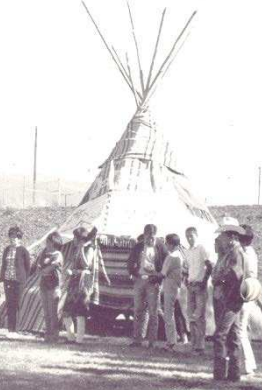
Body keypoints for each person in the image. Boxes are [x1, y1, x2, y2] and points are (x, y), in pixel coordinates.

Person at [62, 227, 110, 344]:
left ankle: (79, 340)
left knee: (80, 310)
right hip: (74, 280)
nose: (73, 240)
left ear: (80, 239)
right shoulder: (76, 248)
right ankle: (71, 337)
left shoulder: (90, 248)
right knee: (66, 311)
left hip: (84, 281)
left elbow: (86, 264)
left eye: (75, 238)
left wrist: (81, 248)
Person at [212, 224, 246, 382]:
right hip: (232, 298)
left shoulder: (236, 253)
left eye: (224, 237)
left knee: (220, 335)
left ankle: (219, 374)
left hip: (231, 300)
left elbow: (235, 275)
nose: (222, 240)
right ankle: (234, 374)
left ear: (232, 238)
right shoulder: (232, 252)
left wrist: (221, 278)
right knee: (233, 337)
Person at [127, 224, 168, 348]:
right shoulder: (138, 246)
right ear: (144, 236)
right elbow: (130, 261)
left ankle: (152, 341)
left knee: (153, 311)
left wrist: (159, 277)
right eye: (148, 237)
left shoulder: (161, 246)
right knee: (138, 310)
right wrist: (132, 273)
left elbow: (166, 264)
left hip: (153, 281)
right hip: (140, 280)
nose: (150, 240)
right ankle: (137, 339)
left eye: (153, 238)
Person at [183, 227, 212, 355]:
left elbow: (209, 266)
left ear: (196, 235)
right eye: (187, 236)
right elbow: (187, 268)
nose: (189, 238)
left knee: (199, 316)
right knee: (191, 315)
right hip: (190, 285)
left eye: (191, 236)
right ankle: (193, 343)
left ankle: (200, 346)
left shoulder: (201, 248)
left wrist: (204, 281)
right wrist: (186, 281)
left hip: (200, 286)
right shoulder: (187, 251)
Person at [0, 226, 30, 336]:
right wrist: (2, 277)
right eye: (11, 237)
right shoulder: (7, 250)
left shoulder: (23, 251)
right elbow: (4, 265)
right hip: (8, 280)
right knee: (10, 304)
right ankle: (10, 329)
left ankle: (16, 330)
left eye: (15, 237)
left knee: (17, 304)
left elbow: (28, 267)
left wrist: (24, 280)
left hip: (19, 282)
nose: (13, 239)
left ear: (19, 238)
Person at [37, 231, 63, 343]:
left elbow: (51, 267)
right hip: (43, 285)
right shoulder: (44, 253)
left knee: (53, 312)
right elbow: (38, 266)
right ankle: (47, 336)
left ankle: (54, 336)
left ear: (54, 242)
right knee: (46, 312)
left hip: (54, 286)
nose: (47, 243)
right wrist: (41, 270)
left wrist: (43, 270)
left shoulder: (58, 254)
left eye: (49, 241)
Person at [239, 224, 258, 375]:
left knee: (240, 330)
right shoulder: (251, 252)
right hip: (250, 291)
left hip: (244, 292)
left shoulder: (245, 253)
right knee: (244, 329)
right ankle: (249, 363)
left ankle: (246, 365)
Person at [161, 233, 183, 351]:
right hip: (176, 287)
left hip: (170, 287)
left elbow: (162, 274)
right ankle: (174, 338)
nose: (165, 245)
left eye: (166, 242)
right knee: (174, 314)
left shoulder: (171, 257)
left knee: (169, 314)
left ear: (170, 244)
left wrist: (150, 275)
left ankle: (171, 341)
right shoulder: (179, 255)